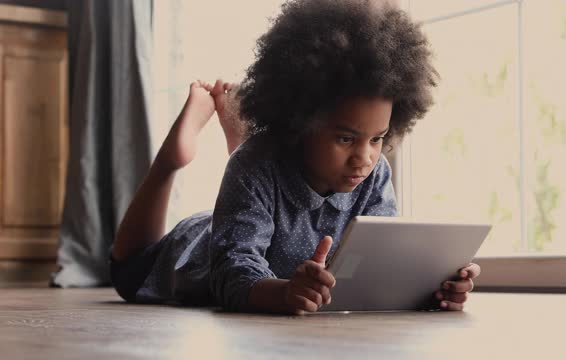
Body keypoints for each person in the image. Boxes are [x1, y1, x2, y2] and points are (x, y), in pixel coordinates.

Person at [110, 0, 480, 314]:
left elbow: (379, 266)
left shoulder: (374, 172)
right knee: (128, 269)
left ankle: (239, 137)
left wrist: (433, 289)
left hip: (255, 211)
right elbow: (231, 270)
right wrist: (284, 293)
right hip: (197, 247)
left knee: (253, 173)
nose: (364, 158)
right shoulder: (254, 166)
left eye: (378, 138)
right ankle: (170, 160)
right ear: (299, 121)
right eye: (346, 138)